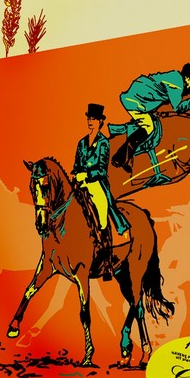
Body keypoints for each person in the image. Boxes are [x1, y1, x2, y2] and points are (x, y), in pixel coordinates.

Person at [71, 103, 129, 280]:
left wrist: (87, 174)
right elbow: (76, 165)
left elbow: (102, 169)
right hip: (80, 183)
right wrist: (77, 174)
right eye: (89, 118)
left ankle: (107, 260)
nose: (90, 121)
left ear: (100, 122)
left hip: (96, 183)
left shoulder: (103, 143)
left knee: (102, 214)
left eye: (94, 119)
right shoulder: (81, 142)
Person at [111, 63, 190, 173]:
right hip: (136, 101)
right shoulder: (177, 83)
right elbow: (177, 107)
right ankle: (120, 159)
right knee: (148, 126)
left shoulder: (175, 77)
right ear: (187, 78)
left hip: (140, 96)